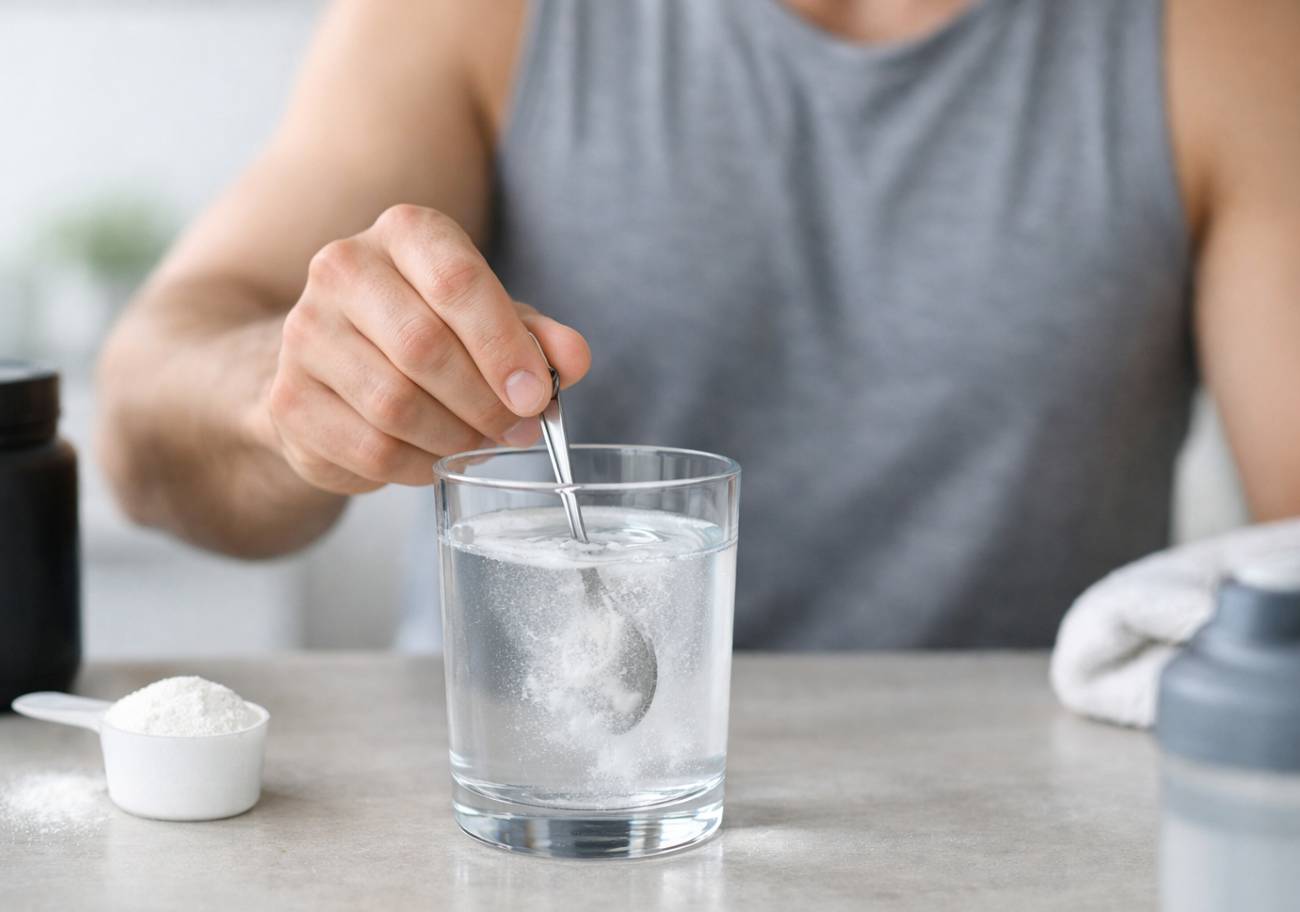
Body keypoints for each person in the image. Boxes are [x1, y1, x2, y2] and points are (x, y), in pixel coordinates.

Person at [97, 0, 1300, 650]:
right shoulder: (470, 14)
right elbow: (144, 424)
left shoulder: (1229, 38)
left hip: (1016, 834)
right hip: (523, 815)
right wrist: (292, 403)